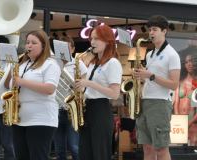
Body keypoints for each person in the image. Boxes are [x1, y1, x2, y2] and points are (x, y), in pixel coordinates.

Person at [134, 15, 181, 160]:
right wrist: (142, 76)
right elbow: (150, 78)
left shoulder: (172, 54)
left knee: (161, 148)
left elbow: (174, 84)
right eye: (150, 30)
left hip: (160, 103)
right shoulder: (149, 54)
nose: (151, 33)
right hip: (145, 102)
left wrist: (150, 75)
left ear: (164, 31)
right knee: (147, 148)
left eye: (155, 29)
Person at [9, 30, 61, 160]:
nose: (29, 46)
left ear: (43, 46)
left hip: (41, 119)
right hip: (20, 119)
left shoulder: (50, 64)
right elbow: (12, 85)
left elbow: (50, 88)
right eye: (27, 43)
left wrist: (22, 82)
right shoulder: (23, 64)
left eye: (33, 43)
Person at [75, 24, 123, 160]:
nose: (92, 42)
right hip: (88, 109)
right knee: (85, 154)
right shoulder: (93, 62)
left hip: (101, 110)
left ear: (108, 41)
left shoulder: (113, 63)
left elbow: (114, 94)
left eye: (96, 39)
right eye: (91, 39)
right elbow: (87, 87)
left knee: (99, 154)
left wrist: (89, 83)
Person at [54, 36, 87, 160]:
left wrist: (76, 86)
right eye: (60, 48)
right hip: (56, 108)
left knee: (74, 147)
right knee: (59, 149)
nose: (63, 51)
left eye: (67, 48)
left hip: (71, 110)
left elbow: (83, 88)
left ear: (72, 49)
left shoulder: (78, 64)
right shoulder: (53, 64)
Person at [174, 46, 197, 146]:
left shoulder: (196, 83)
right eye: (187, 62)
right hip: (180, 120)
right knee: (179, 148)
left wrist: (190, 122)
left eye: (191, 61)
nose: (189, 64)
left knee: (193, 145)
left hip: (193, 120)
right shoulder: (180, 82)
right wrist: (178, 120)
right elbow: (175, 103)